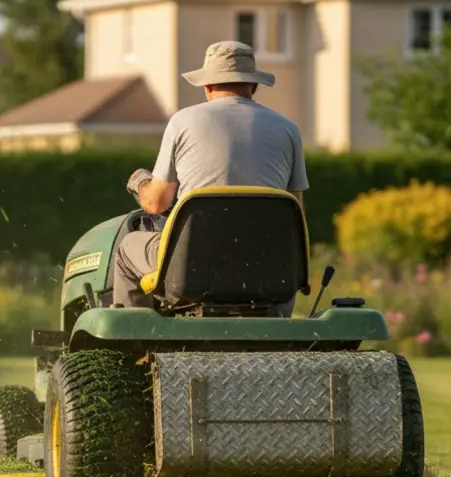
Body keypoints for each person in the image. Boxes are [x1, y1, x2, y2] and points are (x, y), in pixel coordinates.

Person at [113, 40, 310, 310]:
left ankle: (133, 341)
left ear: (207, 86)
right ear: (253, 86)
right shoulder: (288, 130)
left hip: (194, 265)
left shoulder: (183, 122)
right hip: (268, 269)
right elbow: (295, 211)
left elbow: (156, 203)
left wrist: (139, 181)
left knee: (126, 248)